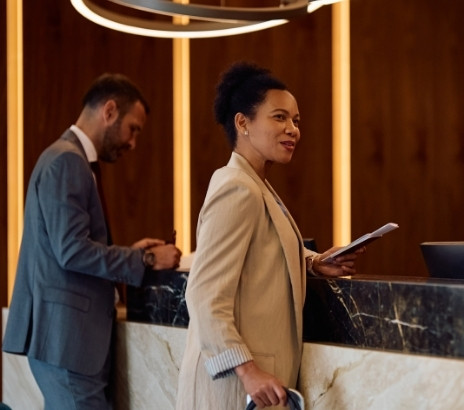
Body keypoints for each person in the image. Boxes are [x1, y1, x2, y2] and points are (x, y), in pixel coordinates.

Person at [176, 62, 363, 410]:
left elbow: (264, 251)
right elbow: (204, 294)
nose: (293, 129)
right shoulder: (236, 187)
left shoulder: (255, 184)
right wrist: (247, 371)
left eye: (296, 120)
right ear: (242, 123)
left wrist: (315, 263)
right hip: (233, 387)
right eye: (279, 117)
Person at [2, 73, 182, 408]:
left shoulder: (68, 159)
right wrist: (145, 260)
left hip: (69, 344)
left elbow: (69, 246)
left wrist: (130, 252)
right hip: (68, 342)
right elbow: (71, 251)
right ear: (109, 111)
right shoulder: (67, 160)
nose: (133, 143)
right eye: (133, 129)